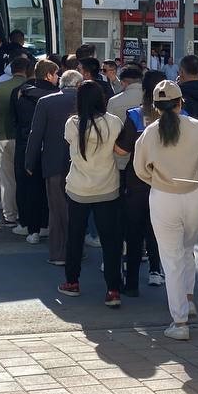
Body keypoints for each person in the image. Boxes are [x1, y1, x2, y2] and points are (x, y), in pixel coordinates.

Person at [129, 80, 198, 340]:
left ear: (155, 106)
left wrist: (158, 179)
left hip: (164, 196)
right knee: (186, 250)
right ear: (180, 102)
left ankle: (180, 321)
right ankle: (188, 300)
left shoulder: (149, 133)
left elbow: (140, 169)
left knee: (171, 259)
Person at [59, 82, 125, 307]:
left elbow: (69, 143)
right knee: (111, 241)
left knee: (75, 236)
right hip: (107, 188)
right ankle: (113, 289)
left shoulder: (73, 124)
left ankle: (72, 282)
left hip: (78, 188)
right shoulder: (114, 123)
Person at [118, 70, 169, 292]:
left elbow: (121, 149)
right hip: (167, 183)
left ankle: (131, 283)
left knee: (134, 228)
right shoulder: (181, 117)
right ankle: (156, 271)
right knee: (158, 229)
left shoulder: (135, 116)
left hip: (138, 180)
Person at [26, 70, 83, 265]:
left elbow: (36, 134)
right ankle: (76, 250)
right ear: (78, 84)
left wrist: (29, 161)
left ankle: (59, 253)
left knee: (57, 209)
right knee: (77, 210)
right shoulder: (86, 101)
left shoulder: (46, 102)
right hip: (82, 164)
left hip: (53, 163)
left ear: (61, 82)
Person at [14, 59, 60, 244]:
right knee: (51, 190)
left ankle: (31, 229)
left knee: (31, 190)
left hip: (27, 145)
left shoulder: (21, 93)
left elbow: (15, 119)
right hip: (51, 148)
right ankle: (46, 225)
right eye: (56, 74)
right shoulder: (57, 96)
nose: (58, 78)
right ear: (49, 75)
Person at [0, 55, 29, 229]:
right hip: (23, 138)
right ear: (27, 71)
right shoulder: (28, 88)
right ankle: (25, 214)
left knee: (6, 179)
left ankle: (9, 216)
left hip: (2, 136)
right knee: (25, 178)